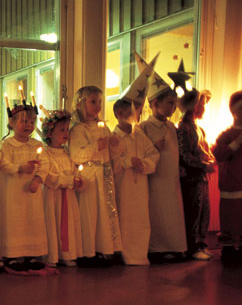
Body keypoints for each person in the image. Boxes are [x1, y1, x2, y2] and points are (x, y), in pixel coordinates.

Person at [68, 86, 121, 267]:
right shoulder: (78, 129)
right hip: (89, 175)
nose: (97, 106)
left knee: (106, 213)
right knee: (89, 213)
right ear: (81, 104)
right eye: (92, 102)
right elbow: (76, 155)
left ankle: (104, 248)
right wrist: (95, 147)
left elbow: (112, 152)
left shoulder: (103, 126)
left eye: (99, 101)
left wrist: (113, 143)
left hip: (104, 173)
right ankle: (87, 251)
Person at [137, 72, 186, 262]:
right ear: (155, 104)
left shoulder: (172, 128)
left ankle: (175, 245)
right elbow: (141, 150)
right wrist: (153, 146)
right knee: (157, 211)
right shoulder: (145, 127)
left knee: (173, 210)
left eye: (174, 104)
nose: (173, 108)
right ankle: (157, 247)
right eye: (170, 103)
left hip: (170, 177)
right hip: (155, 178)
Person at [0, 104, 49, 273]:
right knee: (15, 220)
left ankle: (33, 253)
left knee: (33, 219)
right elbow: (4, 164)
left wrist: (37, 179)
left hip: (32, 192)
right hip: (14, 191)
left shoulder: (37, 145)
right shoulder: (7, 145)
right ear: (12, 123)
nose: (28, 125)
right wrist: (20, 168)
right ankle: (12, 254)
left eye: (32, 121)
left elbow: (45, 164)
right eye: (24, 121)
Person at [111, 99, 159, 265]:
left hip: (139, 186)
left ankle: (139, 254)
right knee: (124, 217)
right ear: (119, 114)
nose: (136, 115)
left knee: (140, 218)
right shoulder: (113, 137)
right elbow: (111, 161)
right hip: (123, 186)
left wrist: (145, 165)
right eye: (132, 112)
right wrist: (127, 162)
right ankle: (124, 254)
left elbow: (153, 154)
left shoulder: (139, 135)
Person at [212, 89, 242, 265]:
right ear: (234, 111)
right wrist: (237, 143)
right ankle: (229, 249)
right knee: (229, 219)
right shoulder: (227, 135)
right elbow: (219, 154)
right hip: (231, 187)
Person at [176, 88, 215, 260]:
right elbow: (184, 155)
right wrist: (203, 165)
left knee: (203, 211)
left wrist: (211, 160)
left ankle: (201, 243)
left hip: (201, 177)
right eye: (203, 104)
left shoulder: (199, 129)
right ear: (194, 106)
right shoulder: (184, 128)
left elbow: (205, 150)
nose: (205, 108)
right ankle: (193, 246)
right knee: (193, 211)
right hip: (191, 178)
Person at [41, 110, 84, 267]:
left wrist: (79, 181)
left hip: (68, 196)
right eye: (61, 130)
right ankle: (52, 255)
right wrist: (68, 180)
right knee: (53, 222)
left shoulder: (67, 153)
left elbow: (74, 170)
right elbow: (48, 177)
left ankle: (68, 253)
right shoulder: (46, 153)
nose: (66, 133)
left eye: (67, 129)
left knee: (68, 223)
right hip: (53, 196)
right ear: (50, 133)